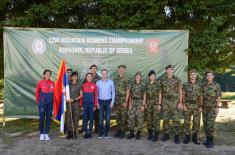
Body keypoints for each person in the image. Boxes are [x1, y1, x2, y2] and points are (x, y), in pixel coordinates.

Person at [159, 65, 183, 144]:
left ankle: (176, 136)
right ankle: (166, 134)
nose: (169, 71)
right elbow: (160, 92)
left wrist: (180, 102)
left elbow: (180, 91)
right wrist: (161, 102)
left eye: (171, 69)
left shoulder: (177, 79)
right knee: (166, 119)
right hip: (165, 101)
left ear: (173, 71)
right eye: (168, 69)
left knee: (176, 119)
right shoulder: (162, 80)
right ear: (166, 71)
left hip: (175, 102)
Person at [182, 69, 203, 144]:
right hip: (187, 106)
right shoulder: (185, 84)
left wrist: (201, 106)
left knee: (196, 122)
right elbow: (183, 95)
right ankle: (187, 137)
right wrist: (184, 105)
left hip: (197, 106)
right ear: (189, 75)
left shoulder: (200, 84)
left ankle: (195, 137)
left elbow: (201, 96)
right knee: (187, 122)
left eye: (194, 74)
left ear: (196, 75)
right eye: (191, 74)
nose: (193, 76)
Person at [202, 71, 222, 148]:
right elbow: (202, 97)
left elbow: (219, 97)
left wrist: (217, 107)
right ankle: (207, 139)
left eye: (210, 75)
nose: (209, 77)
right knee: (205, 124)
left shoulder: (216, 85)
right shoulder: (204, 85)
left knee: (210, 125)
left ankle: (211, 141)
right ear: (206, 77)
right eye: (207, 76)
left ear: (213, 76)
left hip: (212, 108)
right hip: (205, 108)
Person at [35, 70, 55, 141]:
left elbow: (55, 94)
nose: (48, 75)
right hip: (42, 103)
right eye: (46, 74)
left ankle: (46, 133)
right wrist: (38, 102)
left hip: (50, 104)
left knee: (49, 118)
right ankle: (41, 134)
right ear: (44, 75)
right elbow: (37, 92)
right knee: (41, 118)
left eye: (49, 74)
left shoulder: (53, 83)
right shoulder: (40, 82)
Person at [96, 69, 115, 138]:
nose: (104, 75)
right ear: (101, 74)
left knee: (108, 118)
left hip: (108, 102)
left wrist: (112, 102)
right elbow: (96, 94)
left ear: (107, 74)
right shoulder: (98, 82)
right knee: (100, 119)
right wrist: (97, 103)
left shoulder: (111, 82)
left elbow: (113, 93)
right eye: (103, 73)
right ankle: (101, 133)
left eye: (105, 73)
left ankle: (106, 133)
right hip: (100, 101)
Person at [127, 71, 146, 140]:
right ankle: (131, 133)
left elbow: (144, 96)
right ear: (135, 77)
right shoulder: (132, 84)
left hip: (140, 102)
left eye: (139, 76)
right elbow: (130, 95)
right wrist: (129, 104)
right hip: (133, 102)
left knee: (140, 118)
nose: (138, 78)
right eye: (137, 76)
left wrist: (143, 105)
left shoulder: (143, 85)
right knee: (131, 118)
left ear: (140, 77)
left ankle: (138, 133)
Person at [82, 64, 101, 134]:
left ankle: (95, 129)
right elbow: (82, 93)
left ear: (96, 69)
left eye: (95, 68)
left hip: (93, 102)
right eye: (92, 68)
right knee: (85, 117)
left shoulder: (99, 78)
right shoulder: (84, 82)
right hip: (85, 102)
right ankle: (84, 129)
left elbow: (96, 94)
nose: (94, 69)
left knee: (95, 116)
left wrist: (96, 104)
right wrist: (81, 104)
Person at [113, 65, 130, 138]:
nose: (121, 70)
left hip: (123, 100)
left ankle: (123, 131)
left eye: (122, 69)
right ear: (118, 70)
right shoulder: (115, 79)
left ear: (124, 70)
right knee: (118, 116)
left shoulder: (127, 79)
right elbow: (113, 90)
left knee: (123, 116)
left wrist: (126, 101)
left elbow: (128, 91)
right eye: (120, 69)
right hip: (116, 100)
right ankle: (118, 130)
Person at [80, 73, 98, 138]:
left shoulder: (94, 85)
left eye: (90, 76)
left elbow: (96, 96)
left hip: (91, 105)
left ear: (92, 77)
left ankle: (90, 132)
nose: (89, 78)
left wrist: (95, 105)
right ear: (86, 77)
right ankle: (86, 132)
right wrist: (81, 105)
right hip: (85, 104)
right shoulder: (83, 85)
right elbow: (81, 96)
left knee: (91, 119)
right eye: (88, 76)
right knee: (85, 119)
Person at [66, 71, 82, 139]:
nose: (75, 77)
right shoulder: (67, 84)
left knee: (76, 118)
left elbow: (81, 95)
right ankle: (69, 132)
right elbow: (64, 92)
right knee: (69, 118)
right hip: (68, 103)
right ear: (71, 77)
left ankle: (74, 131)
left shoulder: (79, 84)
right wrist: (67, 99)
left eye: (76, 76)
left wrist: (74, 99)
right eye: (74, 76)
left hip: (76, 103)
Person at [145, 70, 161, 142]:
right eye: (151, 76)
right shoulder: (147, 84)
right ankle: (150, 134)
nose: (152, 77)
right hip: (148, 104)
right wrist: (144, 103)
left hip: (155, 103)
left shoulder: (158, 84)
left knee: (156, 119)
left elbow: (160, 94)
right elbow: (145, 95)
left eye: (153, 76)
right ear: (149, 77)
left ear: (155, 77)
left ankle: (156, 135)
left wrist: (159, 104)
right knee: (149, 119)